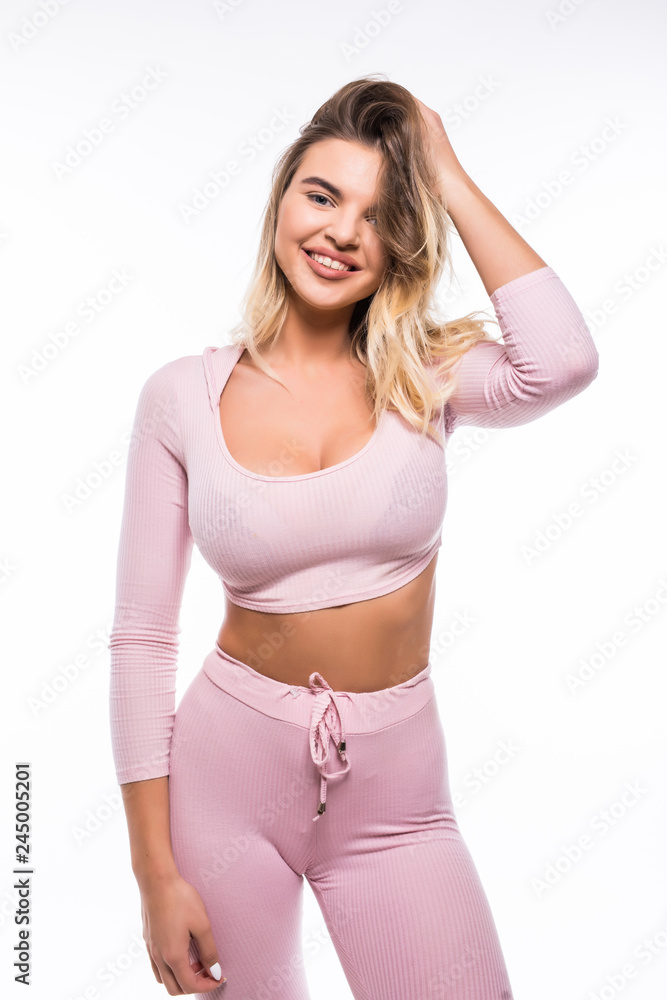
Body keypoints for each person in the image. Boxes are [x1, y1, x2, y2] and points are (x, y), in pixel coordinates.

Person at [108, 75, 599, 999]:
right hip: (223, 785)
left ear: (403, 241)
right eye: (322, 195)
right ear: (280, 200)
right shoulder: (180, 397)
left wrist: (443, 171)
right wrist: (153, 876)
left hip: (397, 801)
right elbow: (140, 639)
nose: (339, 232)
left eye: (377, 214)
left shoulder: (426, 372)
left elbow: (562, 361)